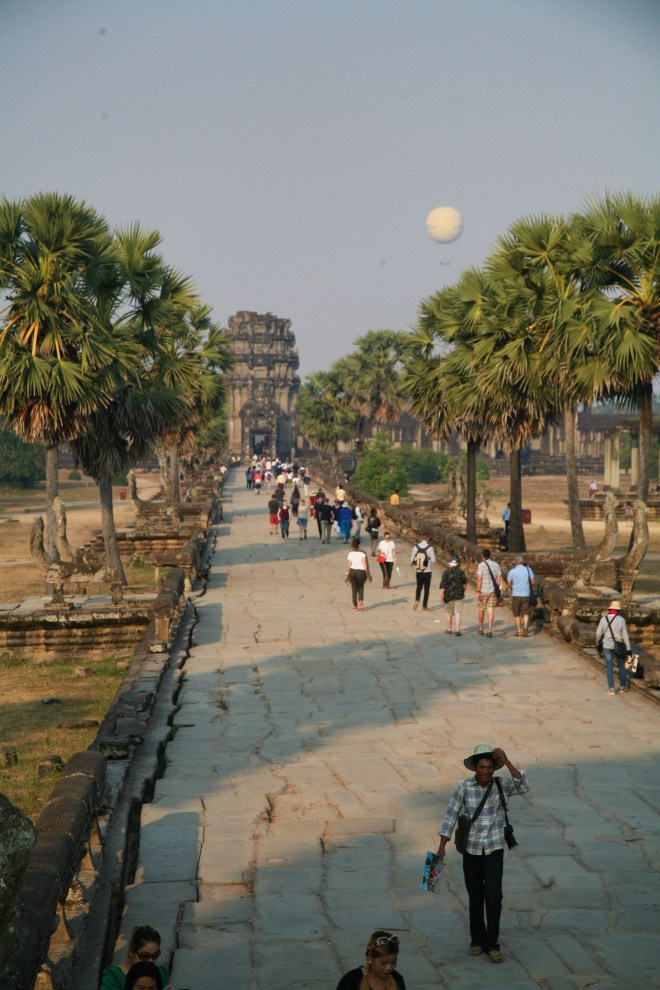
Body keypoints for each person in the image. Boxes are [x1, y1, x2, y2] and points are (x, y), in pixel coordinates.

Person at [435, 745, 530, 965]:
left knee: (494, 895)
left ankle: (492, 943)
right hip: (471, 850)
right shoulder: (464, 788)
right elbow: (450, 816)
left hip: (495, 848)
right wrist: (441, 847)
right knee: (476, 896)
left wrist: (506, 760)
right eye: (482, 767)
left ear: (494, 768)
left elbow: (523, 785)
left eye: (489, 767)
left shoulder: (502, 784)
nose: (486, 771)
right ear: (475, 768)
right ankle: (477, 940)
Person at [101, 925, 170, 990]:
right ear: (131, 951)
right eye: (144, 956)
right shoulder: (113, 977)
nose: (150, 961)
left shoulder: (161, 974)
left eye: (155, 955)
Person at [336, 931, 406, 990]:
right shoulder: (351, 981)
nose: (389, 967)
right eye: (383, 963)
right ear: (370, 957)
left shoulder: (397, 979)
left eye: (393, 962)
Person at [596, 599, 633, 695]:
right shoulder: (621, 620)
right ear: (618, 610)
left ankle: (611, 688)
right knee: (621, 666)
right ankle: (622, 686)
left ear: (610, 609)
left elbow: (598, 633)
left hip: (607, 646)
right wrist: (628, 649)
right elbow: (625, 635)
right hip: (619, 645)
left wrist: (597, 642)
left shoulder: (603, 619)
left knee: (609, 666)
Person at [506, 554, 536, 637]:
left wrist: (513, 587)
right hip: (526, 594)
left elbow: (508, 583)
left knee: (517, 614)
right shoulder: (528, 569)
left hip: (516, 594)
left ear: (515, 562)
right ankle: (525, 627)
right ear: (522, 562)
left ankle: (518, 631)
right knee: (526, 612)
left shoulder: (512, 571)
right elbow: (533, 582)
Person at [476, 548, 502, 637]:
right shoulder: (496, 565)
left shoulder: (481, 565)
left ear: (482, 556)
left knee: (481, 609)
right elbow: (499, 578)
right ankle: (490, 630)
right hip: (493, 591)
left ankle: (481, 628)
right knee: (490, 609)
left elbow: (479, 579)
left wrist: (478, 591)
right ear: (490, 555)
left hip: (483, 590)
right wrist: (498, 588)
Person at [439, 556, 468, 635]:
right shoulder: (461, 572)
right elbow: (465, 584)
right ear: (457, 564)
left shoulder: (446, 572)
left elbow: (443, 586)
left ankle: (449, 629)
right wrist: (462, 591)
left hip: (449, 595)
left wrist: (441, 596)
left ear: (449, 564)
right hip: (459, 595)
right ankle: (458, 630)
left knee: (449, 613)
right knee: (458, 612)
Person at [410, 534, 435, 610]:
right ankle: (424, 606)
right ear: (427, 539)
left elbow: (411, 560)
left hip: (419, 570)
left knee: (419, 587)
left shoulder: (416, 547)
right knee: (426, 589)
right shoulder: (430, 548)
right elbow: (434, 560)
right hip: (427, 571)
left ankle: (417, 600)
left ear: (421, 538)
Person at [345, 537, 371, 611]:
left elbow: (349, 564)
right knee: (361, 587)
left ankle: (355, 606)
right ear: (359, 545)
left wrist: (348, 572)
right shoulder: (362, 553)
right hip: (361, 572)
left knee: (354, 588)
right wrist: (367, 573)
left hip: (353, 571)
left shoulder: (350, 553)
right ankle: (360, 600)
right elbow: (365, 564)